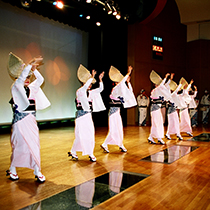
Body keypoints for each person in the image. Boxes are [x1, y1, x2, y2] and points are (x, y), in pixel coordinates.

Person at [6, 52, 51, 182]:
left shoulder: (32, 88)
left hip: (31, 121)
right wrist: (30, 64)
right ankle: (13, 169)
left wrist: (34, 70)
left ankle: (37, 170)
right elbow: (20, 80)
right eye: (26, 76)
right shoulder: (16, 87)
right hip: (20, 122)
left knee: (34, 145)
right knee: (19, 146)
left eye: (29, 77)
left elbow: (41, 80)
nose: (27, 79)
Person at [68, 65, 106, 162]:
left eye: (91, 83)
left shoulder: (91, 93)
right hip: (81, 116)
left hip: (88, 115)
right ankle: (74, 151)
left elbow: (100, 89)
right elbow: (84, 87)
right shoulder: (80, 91)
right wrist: (91, 77)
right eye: (88, 82)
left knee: (89, 134)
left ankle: (89, 152)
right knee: (80, 135)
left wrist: (100, 79)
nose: (90, 85)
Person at [100, 65, 137, 153]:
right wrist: (128, 72)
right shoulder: (115, 89)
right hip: (113, 112)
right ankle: (106, 144)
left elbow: (130, 92)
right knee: (113, 129)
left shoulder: (120, 89)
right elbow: (122, 84)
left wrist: (128, 82)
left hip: (117, 112)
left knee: (119, 129)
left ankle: (119, 144)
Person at [148, 71, 171, 145]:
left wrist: (169, 80)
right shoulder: (155, 90)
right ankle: (159, 138)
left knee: (156, 123)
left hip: (157, 109)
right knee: (158, 123)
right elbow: (162, 85)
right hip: (155, 109)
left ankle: (151, 137)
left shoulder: (158, 90)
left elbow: (164, 85)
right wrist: (165, 77)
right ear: (155, 85)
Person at [164, 73, 183, 140]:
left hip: (172, 109)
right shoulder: (171, 94)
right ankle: (173, 134)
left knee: (174, 122)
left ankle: (173, 134)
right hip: (171, 109)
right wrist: (180, 84)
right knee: (174, 122)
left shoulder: (174, 95)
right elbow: (176, 90)